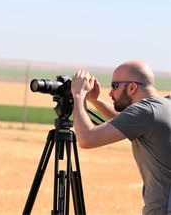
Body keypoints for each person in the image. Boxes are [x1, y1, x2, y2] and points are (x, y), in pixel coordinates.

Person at [71, 60, 171, 215]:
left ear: (132, 87)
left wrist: (78, 95)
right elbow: (127, 121)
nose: (110, 92)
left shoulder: (146, 111)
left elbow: (86, 139)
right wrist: (95, 101)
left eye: (114, 86)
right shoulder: (164, 105)